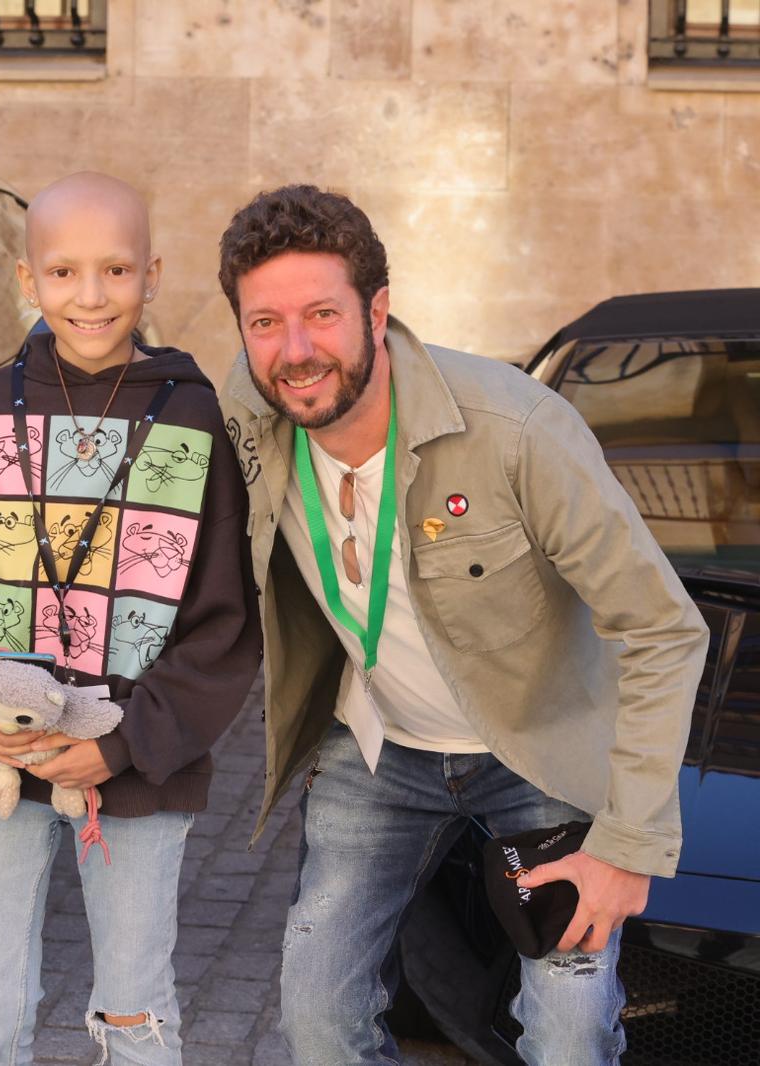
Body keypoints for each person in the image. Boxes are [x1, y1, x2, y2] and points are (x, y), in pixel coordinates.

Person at [209, 185, 706, 1063]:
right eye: (265, 323)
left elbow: (663, 629)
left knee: (567, 1029)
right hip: (379, 747)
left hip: (537, 749)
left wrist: (629, 844)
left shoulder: (514, 428)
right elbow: (134, 427)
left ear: (377, 311)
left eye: (322, 314)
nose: (295, 351)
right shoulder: (247, 412)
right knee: (317, 1016)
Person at [0, 172, 262, 1065]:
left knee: (136, 1009)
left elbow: (222, 624)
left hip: (136, 769)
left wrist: (126, 741)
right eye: (63, 272)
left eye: (116, 270)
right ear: (29, 281)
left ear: (152, 275)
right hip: (1, 760)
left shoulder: (196, 419)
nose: (90, 296)